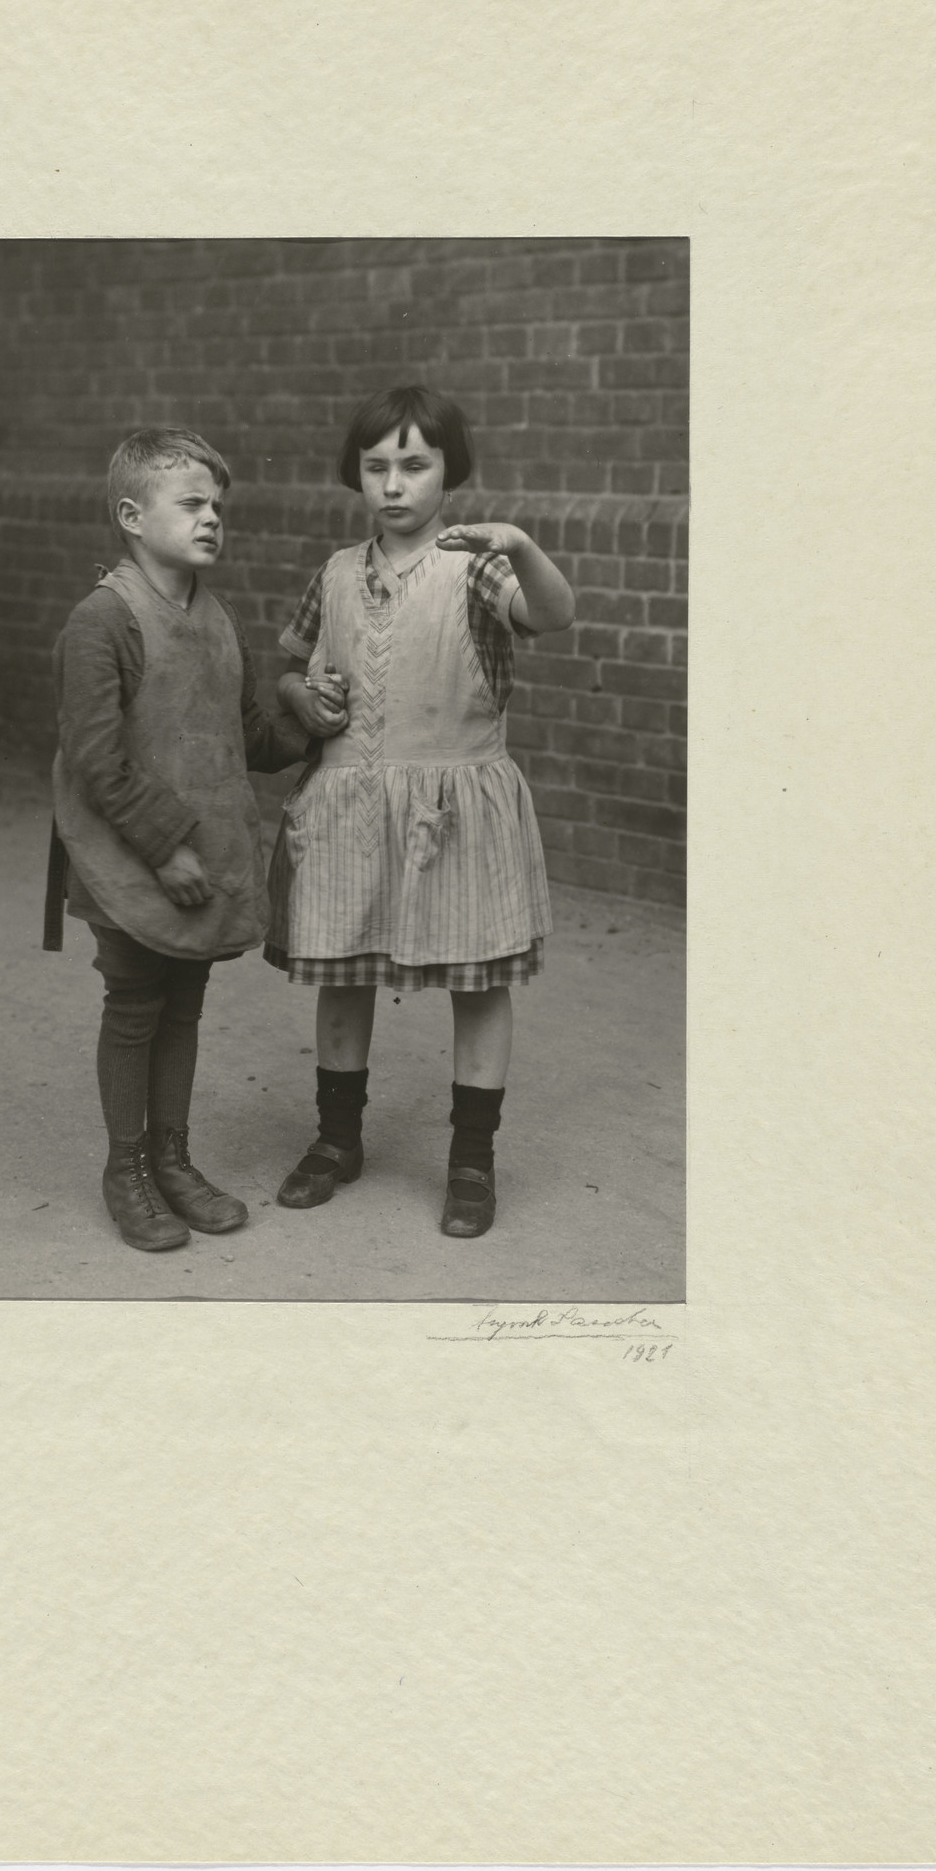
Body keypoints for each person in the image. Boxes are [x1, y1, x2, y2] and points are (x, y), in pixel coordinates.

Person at [266, 384, 575, 1237]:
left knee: (476, 983)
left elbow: (552, 615)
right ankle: (336, 1142)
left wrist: (522, 545)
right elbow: (291, 667)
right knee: (341, 972)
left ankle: (471, 1162)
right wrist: (304, 692)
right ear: (355, 475)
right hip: (348, 806)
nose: (393, 485)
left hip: (454, 805)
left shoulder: (479, 565)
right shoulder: (332, 572)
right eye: (376, 467)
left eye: (414, 464)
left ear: (449, 470)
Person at [48, 429, 308, 1252]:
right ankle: (125, 1168)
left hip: (200, 858)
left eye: (217, 507)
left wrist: (314, 717)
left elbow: (250, 741)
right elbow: (97, 760)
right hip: (128, 859)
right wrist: (164, 848)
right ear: (132, 515)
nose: (211, 520)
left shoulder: (216, 616)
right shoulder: (103, 621)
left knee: (184, 1003)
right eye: (191, 504)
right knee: (134, 1005)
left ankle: (172, 1160)